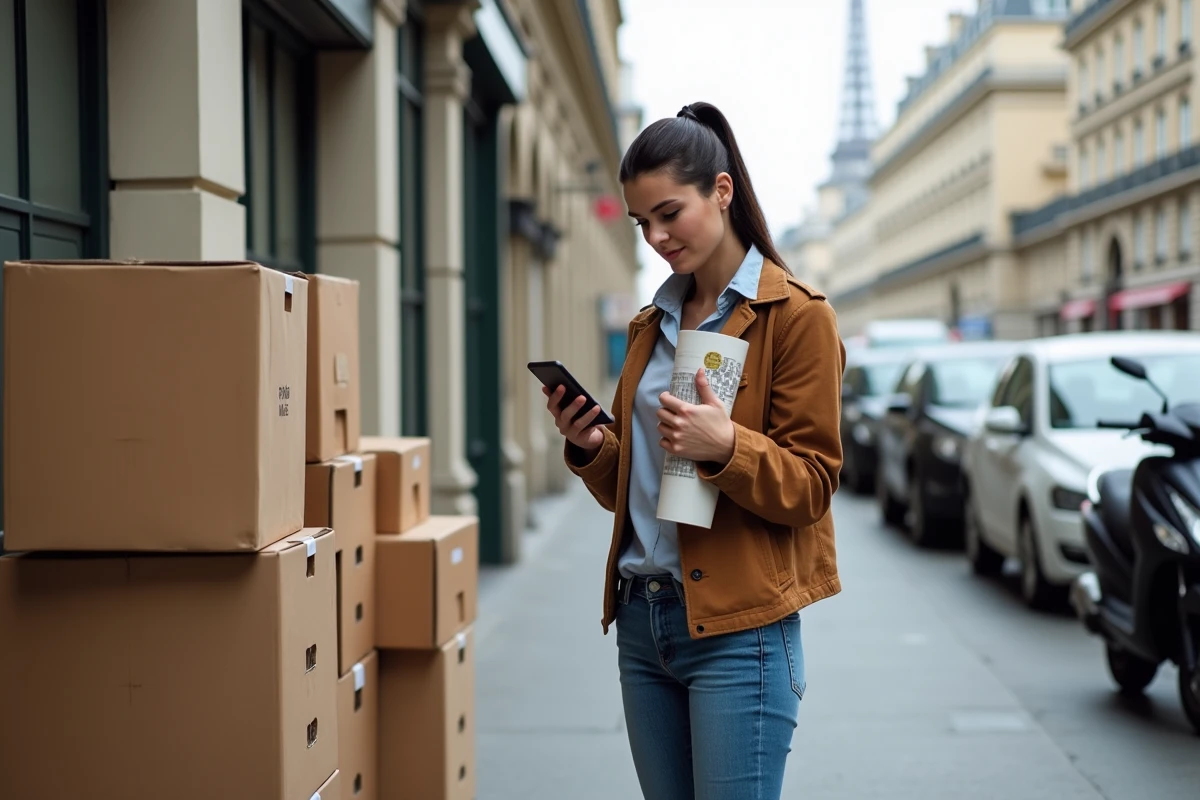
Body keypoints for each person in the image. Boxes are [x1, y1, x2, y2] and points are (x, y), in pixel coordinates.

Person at [542, 101, 846, 800]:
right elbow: (642, 491)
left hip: (741, 634)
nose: (655, 236)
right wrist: (593, 448)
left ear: (722, 190)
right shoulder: (651, 325)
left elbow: (811, 486)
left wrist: (727, 446)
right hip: (642, 623)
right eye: (640, 222)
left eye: (669, 213)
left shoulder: (797, 317)